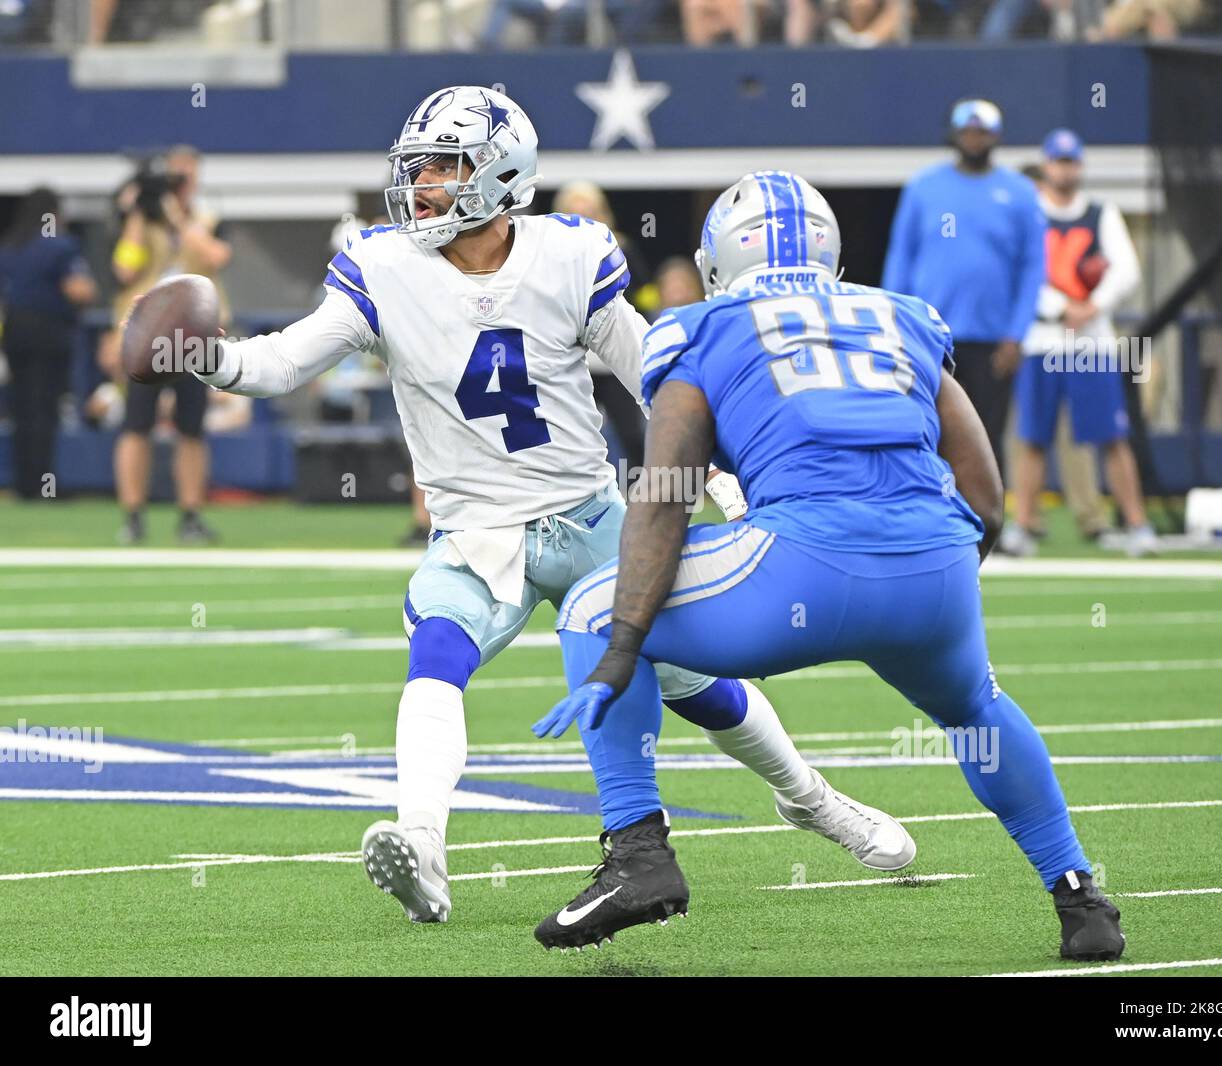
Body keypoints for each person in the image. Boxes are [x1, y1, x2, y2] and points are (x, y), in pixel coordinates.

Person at [185, 87, 911, 929]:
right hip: (478, 529)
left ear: (501, 177)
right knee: (438, 651)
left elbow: (654, 377)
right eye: (417, 166)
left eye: (445, 166)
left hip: (591, 513)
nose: (421, 184)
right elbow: (280, 364)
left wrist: (721, 475)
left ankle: (811, 799)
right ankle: (422, 842)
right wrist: (208, 357)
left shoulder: (570, 255)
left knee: (694, 682)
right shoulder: (382, 266)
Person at [532, 171, 1124, 962]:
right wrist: (925, 586)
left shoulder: (699, 327)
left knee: (589, 608)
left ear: (720, 262)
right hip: (934, 567)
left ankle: (639, 853)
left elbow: (666, 494)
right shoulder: (898, 315)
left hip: (796, 568)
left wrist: (625, 642)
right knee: (976, 708)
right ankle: (1079, 896)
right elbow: (984, 490)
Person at [1006, 129, 1156, 557]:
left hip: (1091, 344)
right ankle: (1024, 526)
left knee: (1111, 436)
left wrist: (1093, 305)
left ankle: (1137, 524)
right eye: (1058, 161)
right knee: (1033, 437)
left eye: (1072, 162)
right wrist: (1059, 308)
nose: (1065, 169)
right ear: (1046, 165)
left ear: (1080, 166)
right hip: (1042, 342)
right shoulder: (1029, 215)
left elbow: (1126, 270)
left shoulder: (1100, 212)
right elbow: (1022, 272)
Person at [883, 98, 1044, 486]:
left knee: (987, 436)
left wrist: (1016, 334)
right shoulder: (923, 187)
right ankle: (933, 523)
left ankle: (992, 531)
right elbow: (901, 258)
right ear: (954, 135)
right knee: (927, 430)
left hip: (992, 341)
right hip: (929, 337)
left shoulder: (1020, 193)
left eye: (983, 131)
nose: (975, 139)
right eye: (968, 131)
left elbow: (1033, 268)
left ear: (997, 136)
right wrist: (893, 325)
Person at [108, 145, 230, 544]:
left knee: (191, 427)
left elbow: (216, 255)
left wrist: (178, 218)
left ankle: (191, 514)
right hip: (146, 330)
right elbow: (125, 267)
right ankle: (132, 515)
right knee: (136, 423)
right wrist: (140, 217)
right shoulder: (145, 219)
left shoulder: (205, 218)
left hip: (193, 329)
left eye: (185, 176)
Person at [0, 188, 98, 498]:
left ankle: (24, 484)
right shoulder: (61, 245)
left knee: (22, 409)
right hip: (49, 332)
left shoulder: (11, 246)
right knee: (45, 409)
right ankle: (45, 486)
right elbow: (78, 290)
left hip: (15, 331)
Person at [553, 180, 650, 474]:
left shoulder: (620, 250)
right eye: (575, 213)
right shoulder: (549, 256)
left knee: (631, 433)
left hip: (611, 354)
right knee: (562, 433)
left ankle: (644, 498)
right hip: (570, 357)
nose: (584, 221)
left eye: (590, 213)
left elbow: (644, 296)